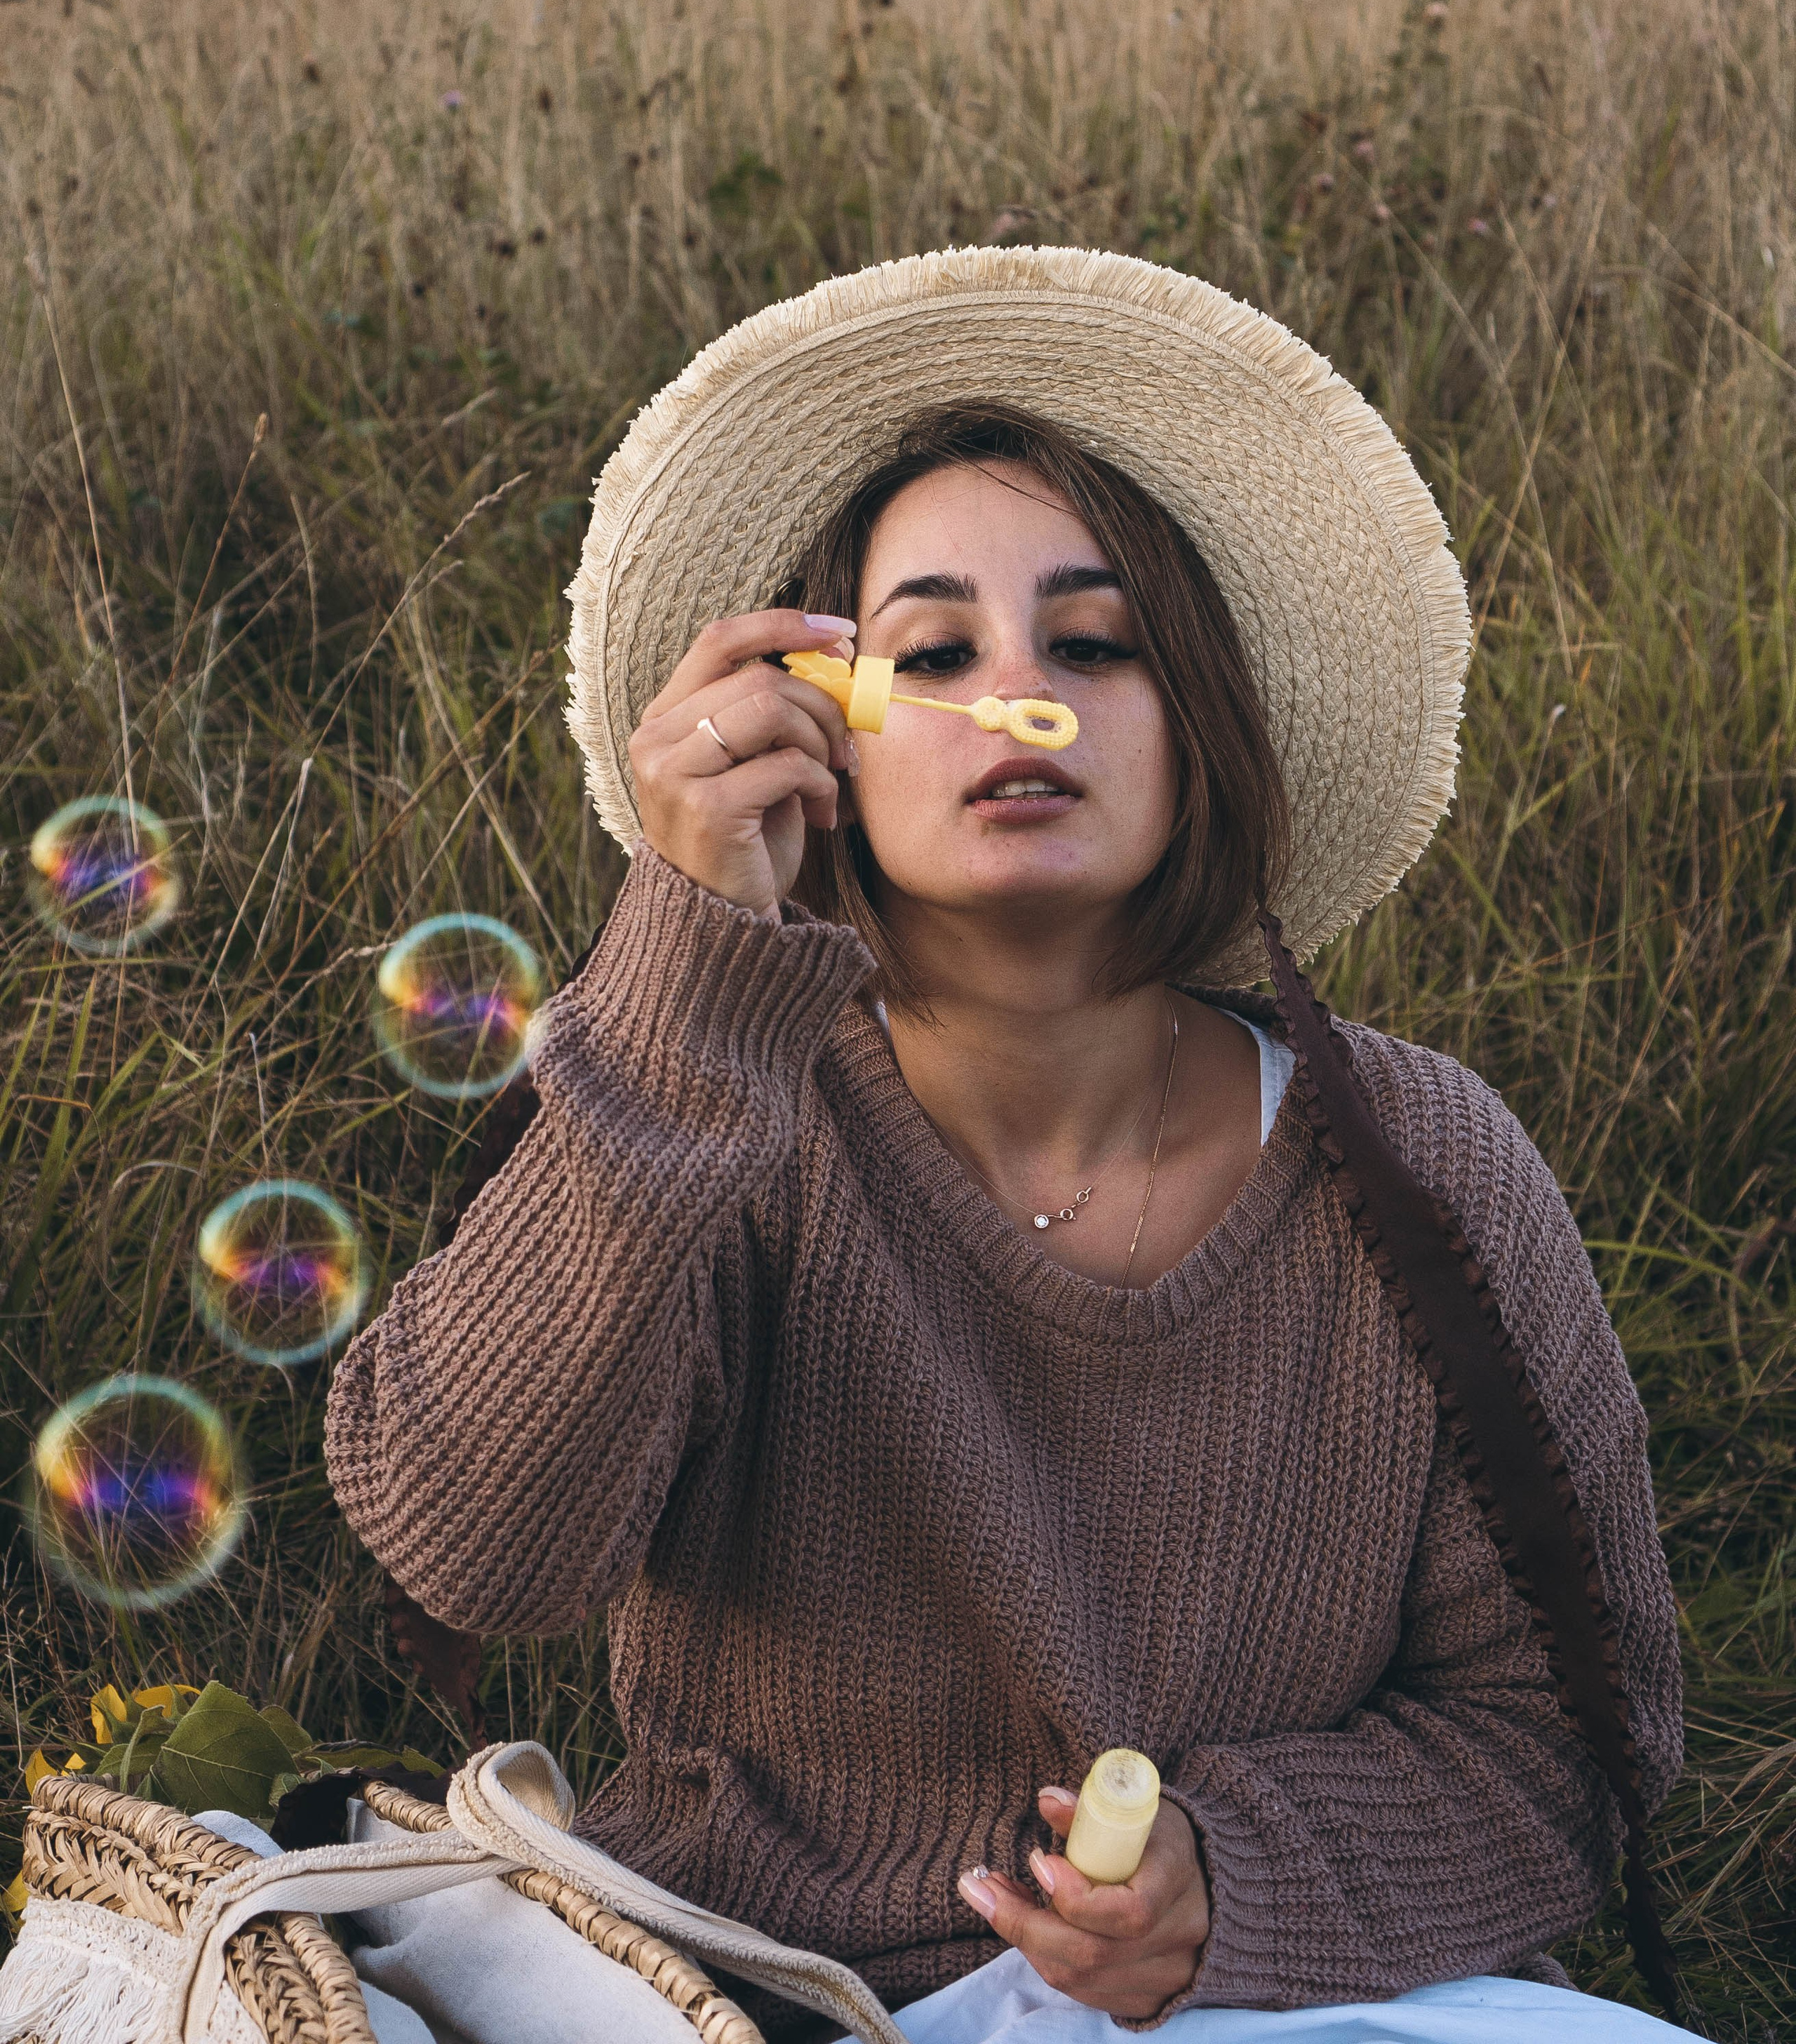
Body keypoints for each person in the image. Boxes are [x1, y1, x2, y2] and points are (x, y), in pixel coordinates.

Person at [326, 248, 1689, 2041]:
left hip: (1264, 2009)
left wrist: (1233, 1883)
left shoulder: (1421, 1166)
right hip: (759, 1994)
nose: (1012, 693)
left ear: (1194, 725)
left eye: (1094, 642)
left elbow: (1567, 1741)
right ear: (826, 740)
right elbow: (471, 1549)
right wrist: (681, 967)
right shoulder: (725, 1123)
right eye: (930, 651)